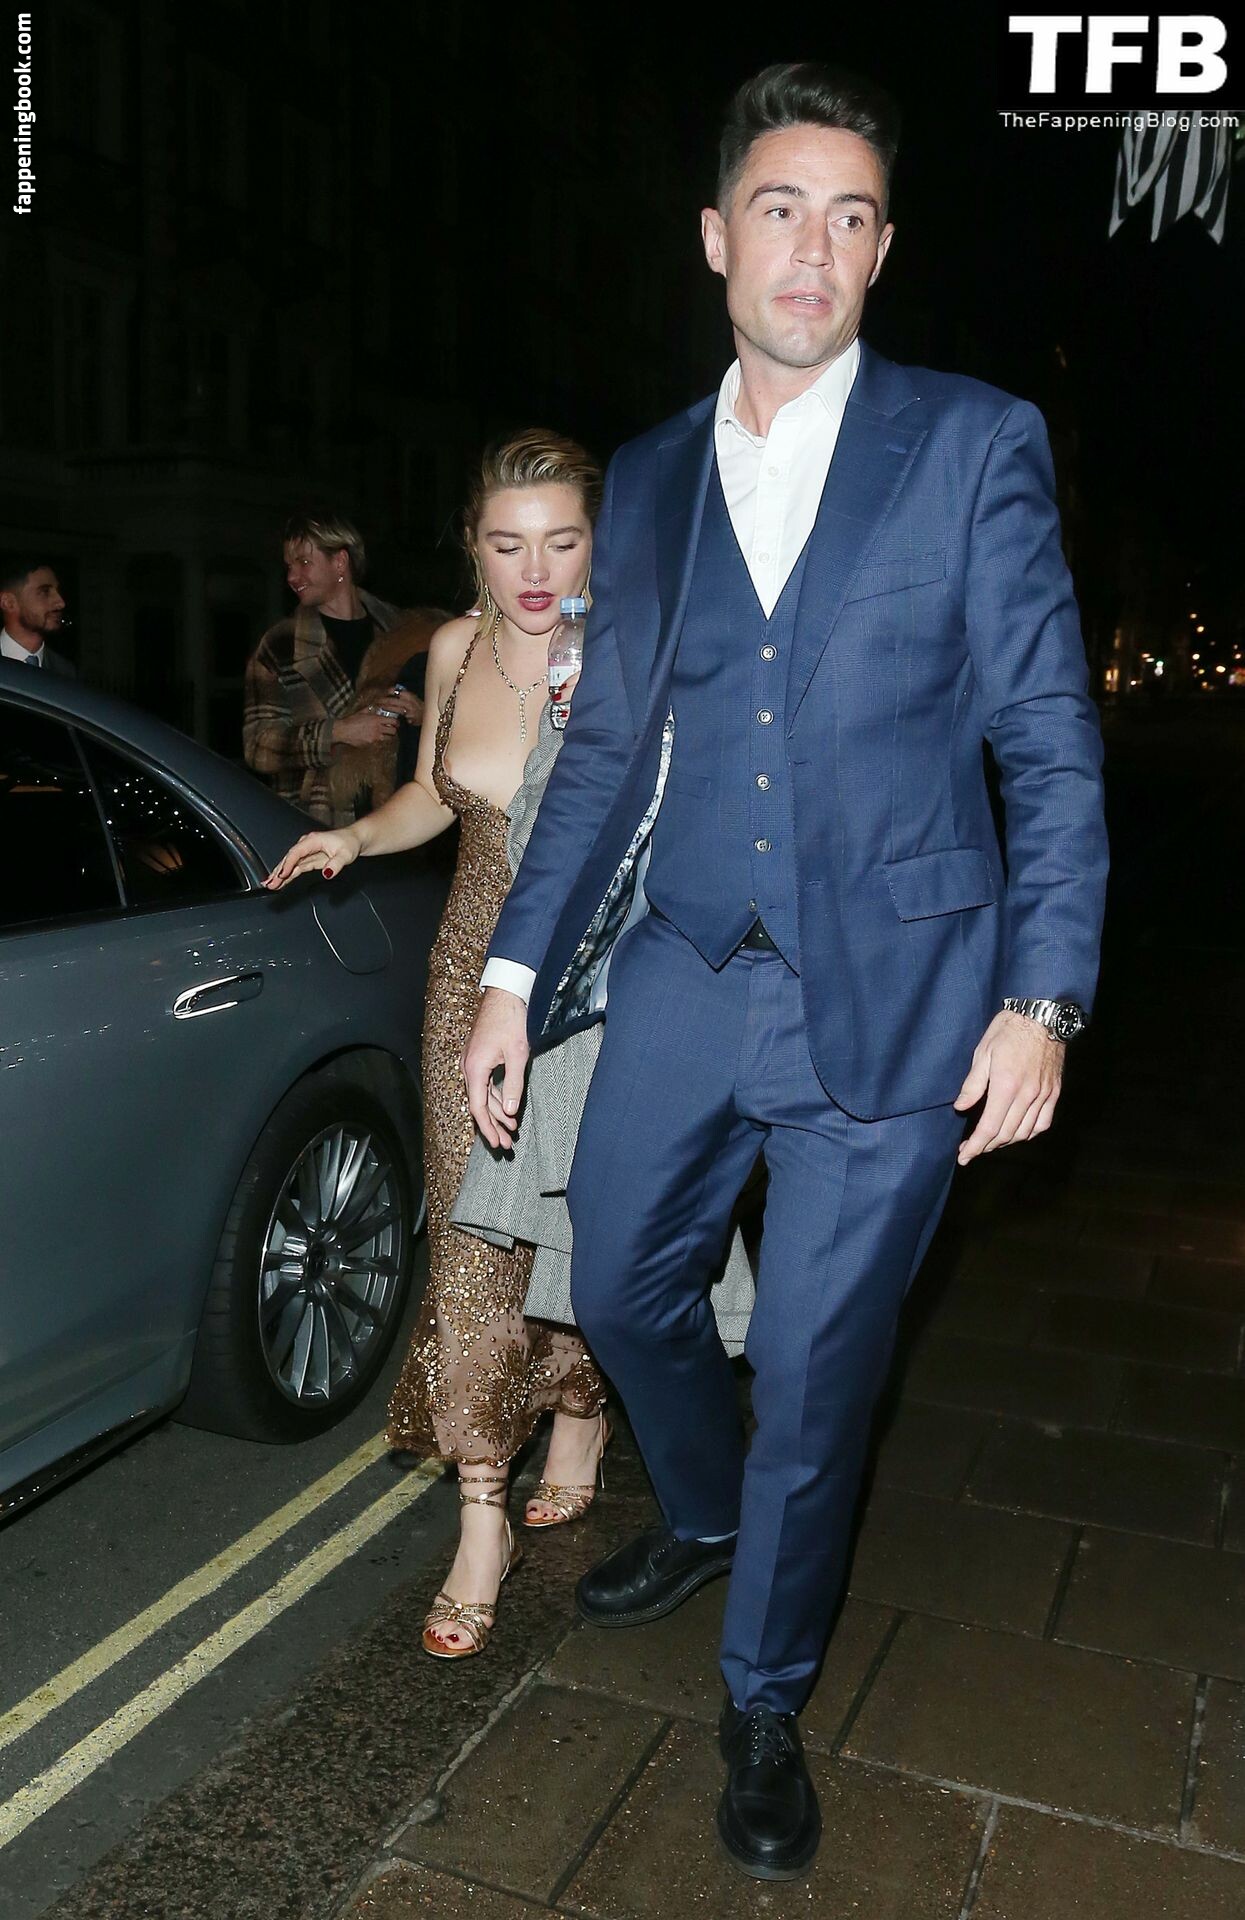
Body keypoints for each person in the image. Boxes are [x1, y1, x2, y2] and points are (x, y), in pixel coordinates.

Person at [463, 62, 1109, 1882]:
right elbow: (604, 751)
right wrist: (513, 972)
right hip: (688, 968)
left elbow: (1048, 739)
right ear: (714, 239)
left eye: (848, 216)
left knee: (819, 1374)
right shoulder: (656, 474)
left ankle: (762, 1695)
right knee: (623, 1284)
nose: (810, 248)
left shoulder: (971, 442)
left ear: (881, 251)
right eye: (777, 209)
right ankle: (709, 1506)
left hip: (900, 1001)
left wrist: (1043, 997)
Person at [264, 431, 610, 1657]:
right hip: (468, 972)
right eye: (509, 545)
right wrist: (356, 837)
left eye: (563, 542)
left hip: (593, 981)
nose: (536, 571)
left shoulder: (628, 654)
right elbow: (433, 793)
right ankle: (479, 1518)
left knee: (575, 1224)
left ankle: (580, 1407)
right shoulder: (455, 651)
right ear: (472, 546)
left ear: (598, 543)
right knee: (470, 1238)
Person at [243, 509, 430, 825]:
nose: (292, 577)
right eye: (289, 566)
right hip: (316, 823)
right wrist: (339, 732)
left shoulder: (404, 632)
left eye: (304, 562)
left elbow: (457, 723)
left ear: (340, 562)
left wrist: (422, 715)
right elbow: (257, 747)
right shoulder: (281, 645)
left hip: (398, 818)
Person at [0, 560, 74, 675]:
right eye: (45, 592)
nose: (61, 603)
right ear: (9, 602)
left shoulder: (66, 672)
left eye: (58, 591)